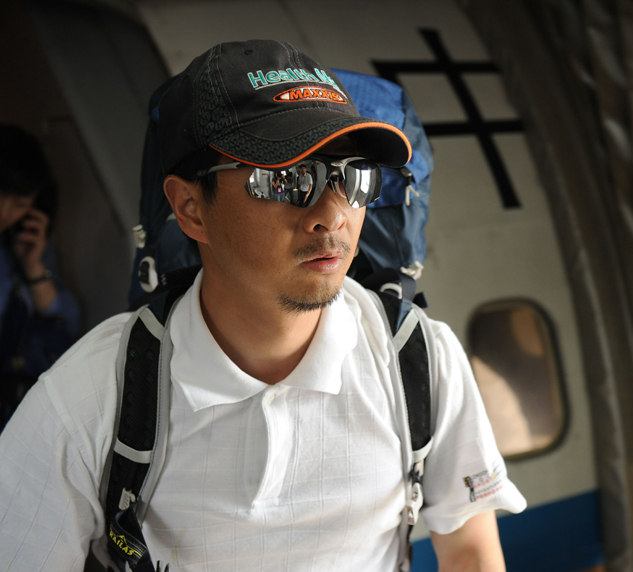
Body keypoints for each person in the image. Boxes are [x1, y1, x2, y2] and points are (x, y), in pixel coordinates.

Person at [0, 40, 525, 571]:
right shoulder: (90, 399)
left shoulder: (418, 360)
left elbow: (470, 549)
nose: (333, 216)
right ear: (189, 208)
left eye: (354, 178)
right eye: (288, 179)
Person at [0, 124, 80, 431]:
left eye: (19, 205)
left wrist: (33, 267)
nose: (5, 213)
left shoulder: (19, 248)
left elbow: (64, 324)